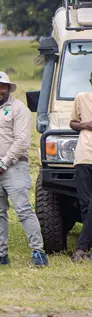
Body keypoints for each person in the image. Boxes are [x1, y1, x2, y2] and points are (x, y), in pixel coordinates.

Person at [0, 71, 48, 267]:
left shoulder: (18, 108)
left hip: (14, 166)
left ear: (7, 88)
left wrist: (3, 164)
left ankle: (38, 252)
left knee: (23, 210)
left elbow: (22, 141)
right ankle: (0, 255)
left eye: (1, 86)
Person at [69, 71, 92, 262]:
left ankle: (81, 247)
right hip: (84, 155)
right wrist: (86, 124)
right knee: (85, 203)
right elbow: (72, 123)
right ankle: (87, 248)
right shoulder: (81, 98)